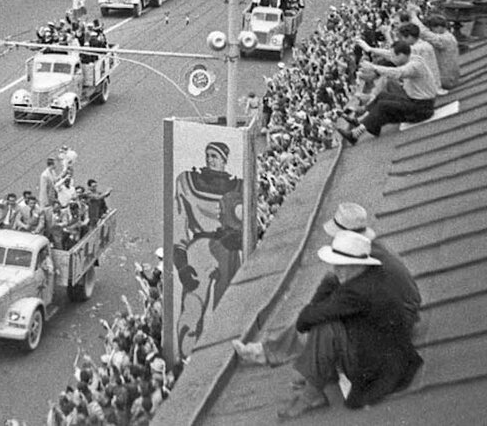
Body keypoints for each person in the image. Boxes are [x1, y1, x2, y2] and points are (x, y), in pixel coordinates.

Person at [233, 202, 422, 367]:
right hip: (404, 312)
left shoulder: (365, 267)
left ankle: (275, 353)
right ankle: (271, 350)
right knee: (329, 287)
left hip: (394, 325)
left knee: (326, 323)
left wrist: (312, 313)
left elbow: (329, 308)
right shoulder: (372, 249)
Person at [273, 230, 423, 418]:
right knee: (328, 322)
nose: (337, 271)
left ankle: (311, 394)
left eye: (341, 266)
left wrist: (323, 293)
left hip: (376, 368)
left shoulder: (355, 292)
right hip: (391, 355)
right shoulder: (373, 276)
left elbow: (306, 318)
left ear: (354, 265)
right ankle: (315, 381)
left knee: (324, 328)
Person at [173, 139, 243, 357]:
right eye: (208, 155)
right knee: (192, 307)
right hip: (200, 248)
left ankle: (219, 357)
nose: (210, 160)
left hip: (227, 248)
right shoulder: (186, 182)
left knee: (226, 308)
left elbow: (245, 222)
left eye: (215, 156)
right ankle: (186, 357)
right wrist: (182, 264)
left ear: (224, 160)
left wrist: (237, 238)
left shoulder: (239, 187)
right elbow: (179, 222)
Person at [338, 40, 437, 144]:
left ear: (402, 55)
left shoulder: (414, 65)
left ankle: (354, 134)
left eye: (394, 56)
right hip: (416, 101)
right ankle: (365, 121)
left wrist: (374, 67)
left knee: (383, 106)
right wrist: (370, 49)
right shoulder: (410, 56)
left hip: (423, 108)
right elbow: (388, 54)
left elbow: (398, 73)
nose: (392, 59)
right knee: (382, 96)